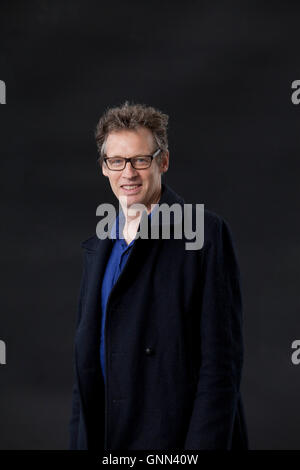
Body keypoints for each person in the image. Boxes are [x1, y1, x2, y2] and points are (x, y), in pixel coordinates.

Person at [69, 101, 249, 450]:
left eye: (141, 160)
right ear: (105, 168)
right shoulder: (99, 247)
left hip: (173, 441)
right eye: (116, 161)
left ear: (162, 161)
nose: (128, 173)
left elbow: (221, 367)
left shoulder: (204, 235)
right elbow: (85, 371)